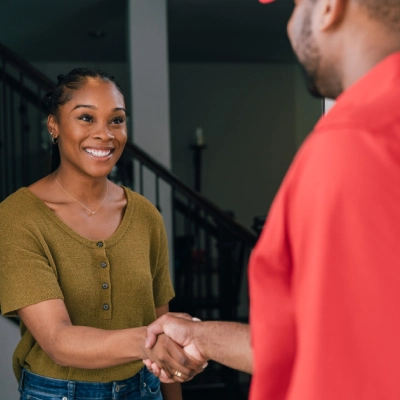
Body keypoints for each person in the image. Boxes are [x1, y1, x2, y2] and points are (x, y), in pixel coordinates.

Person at [143, 0, 400, 399]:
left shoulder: (357, 143)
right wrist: (201, 337)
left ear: (331, 7)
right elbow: (327, 339)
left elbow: (348, 376)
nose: (289, 25)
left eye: (297, 5)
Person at [0, 68, 204, 400]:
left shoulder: (145, 216)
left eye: (116, 120)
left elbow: (160, 319)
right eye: (86, 118)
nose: (104, 134)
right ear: (53, 125)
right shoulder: (17, 217)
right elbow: (58, 342)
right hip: (57, 393)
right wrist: (152, 342)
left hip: (143, 388)